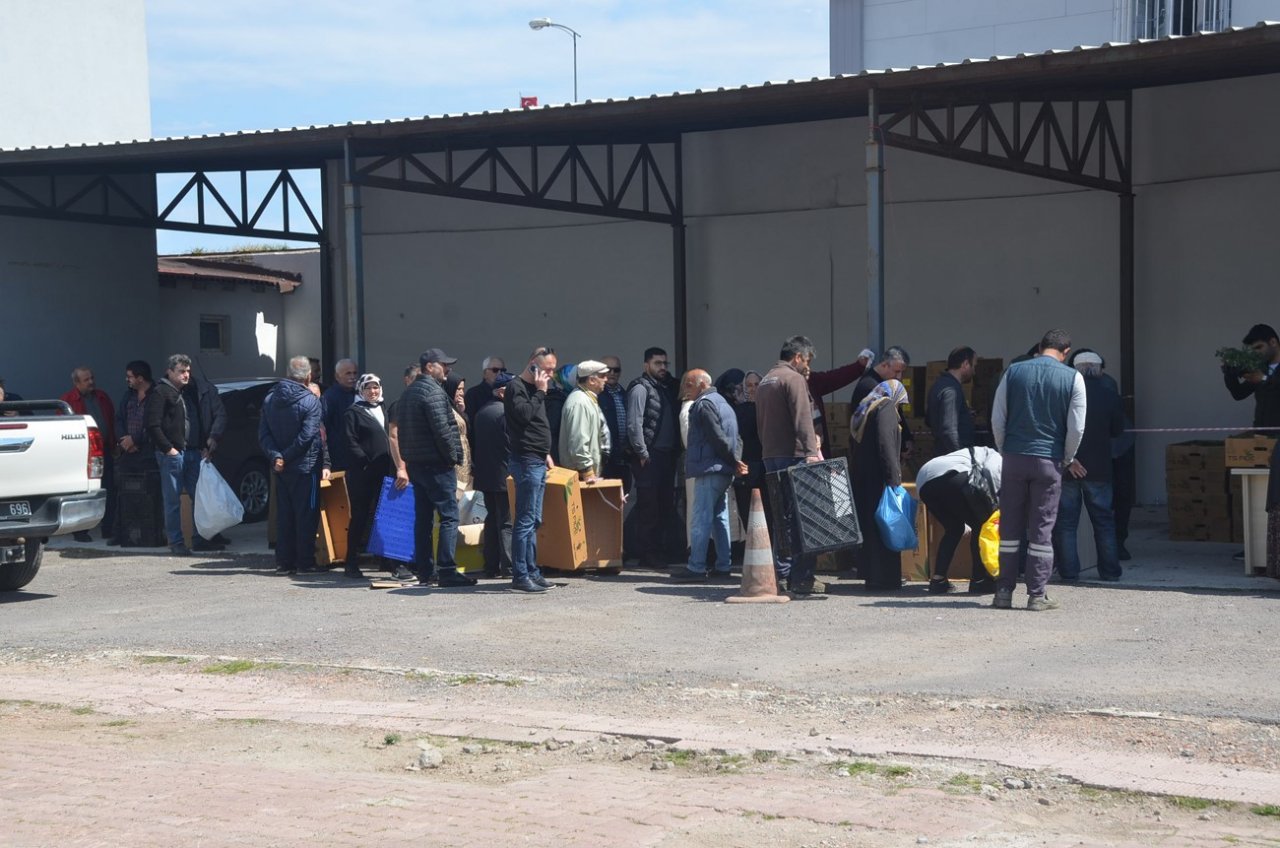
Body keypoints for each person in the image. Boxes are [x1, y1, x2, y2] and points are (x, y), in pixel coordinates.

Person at [991, 329, 1087, 611]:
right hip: (1049, 460)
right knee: (1041, 528)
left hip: (1014, 457)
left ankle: (1004, 592)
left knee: (1009, 527)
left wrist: (1005, 449)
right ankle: (1036, 595)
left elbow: (999, 417)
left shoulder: (1013, 372)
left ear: (1041, 346)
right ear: (1066, 352)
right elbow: (1077, 426)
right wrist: (1067, 458)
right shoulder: (1073, 378)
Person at [397, 349, 475, 588]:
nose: (448, 369)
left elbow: (402, 431)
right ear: (430, 367)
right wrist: (453, 457)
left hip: (417, 465)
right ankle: (447, 570)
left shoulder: (409, 393)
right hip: (437, 465)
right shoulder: (433, 392)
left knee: (423, 519)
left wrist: (409, 460)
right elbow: (443, 429)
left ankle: (425, 571)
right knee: (449, 517)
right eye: (444, 365)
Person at [756, 336, 823, 596]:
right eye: (807, 360)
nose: (808, 366)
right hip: (794, 456)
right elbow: (802, 418)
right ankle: (802, 578)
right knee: (801, 519)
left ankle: (781, 575)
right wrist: (811, 452)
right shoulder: (793, 379)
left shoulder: (766, 380)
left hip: (771, 455)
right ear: (797, 357)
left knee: (780, 518)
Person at [1053, 351, 1125, 582]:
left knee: (1066, 524)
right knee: (1104, 522)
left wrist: (1069, 459)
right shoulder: (1110, 395)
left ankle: (1069, 572)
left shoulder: (1064, 394)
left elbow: (1056, 431)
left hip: (1068, 467)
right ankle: (1110, 571)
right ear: (1099, 369)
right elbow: (1117, 430)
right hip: (1100, 468)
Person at [672, 370, 744, 582]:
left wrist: (732, 460)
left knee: (701, 519)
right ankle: (723, 566)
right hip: (724, 471)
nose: (686, 390)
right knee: (720, 518)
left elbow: (717, 438)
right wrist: (735, 461)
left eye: (689, 385)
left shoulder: (703, 405)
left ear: (701, 385)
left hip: (710, 469)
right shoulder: (724, 403)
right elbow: (736, 438)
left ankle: (696, 567)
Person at [259, 355, 327, 576]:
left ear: (288, 374)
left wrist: (277, 457)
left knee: (285, 515)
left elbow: (264, 434)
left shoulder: (270, 398)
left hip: (281, 468)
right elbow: (308, 436)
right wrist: (285, 457)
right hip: (305, 466)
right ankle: (305, 562)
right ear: (308, 376)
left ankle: (284, 562)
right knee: (307, 514)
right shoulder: (310, 401)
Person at [504, 346, 560, 593]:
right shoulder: (517, 387)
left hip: (537, 459)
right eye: (547, 369)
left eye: (553, 370)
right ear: (533, 365)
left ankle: (533, 571)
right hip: (526, 461)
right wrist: (539, 392)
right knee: (525, 521)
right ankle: (520, 574)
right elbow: (524, 415)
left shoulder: (537, 390)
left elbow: (536, 425)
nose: (551, 374)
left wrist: (545, 452)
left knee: (534, 520)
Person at [916, 447, 1001, 595]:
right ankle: (979, 581)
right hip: (951, 474)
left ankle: (938, 580)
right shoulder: (997, 458)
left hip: (924, 482)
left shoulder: (976, 453)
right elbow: (993, 479)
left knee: (954, 529)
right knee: (980, 526)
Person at [849, 380, 909, 590]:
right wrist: (894, 479)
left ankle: (871, 576)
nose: (899, 408)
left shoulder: (866, 408)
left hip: (863, 479)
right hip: (879, 479)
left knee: (870, 526)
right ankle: (886, 578)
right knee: (885, 527)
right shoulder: (885, 408)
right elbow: (886, 444)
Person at [344, 373, 404, 580]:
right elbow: (350, 442)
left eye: (376, 387)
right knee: (360, 516)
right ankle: (351, 562)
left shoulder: (383, 408)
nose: (373, 391)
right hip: (362, 473)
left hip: (384, 471)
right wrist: (365, 461)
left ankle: (385, 560)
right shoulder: (353, 412)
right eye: (368, 388)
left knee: (383, 516)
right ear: (361, 390)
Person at [626, 347, 680, 570]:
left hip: (666, 456)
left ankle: (660, 550)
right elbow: (634, 423)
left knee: (664, 505)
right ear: (646, 365)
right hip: (649, 457)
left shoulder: (665, 387)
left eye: (665, 364)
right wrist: (642, 452)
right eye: (658, 363)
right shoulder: (641, 388)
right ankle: (647, 553)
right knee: (649, 507)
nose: (663, 368)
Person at [146, 355, 200, 556]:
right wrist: (169, 449)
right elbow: (152, 425)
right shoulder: (160, 392)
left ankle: (199, 538)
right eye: (181, 371)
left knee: (198, 496)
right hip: (172, 455)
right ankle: (176, 542)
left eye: (188, 371)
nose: (186, 375)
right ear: (170, 371)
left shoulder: (185, 392)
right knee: (172, 500)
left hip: (191, 452)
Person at [61, 366, 117, 542]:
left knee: (108, 488)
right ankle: (81, 530)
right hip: (83, 454)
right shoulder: (67, 401)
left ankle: (108, 528)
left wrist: (114, 443)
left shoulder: (102, 397)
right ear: (76, 383)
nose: (91, 382)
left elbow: (112, 420)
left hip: (105, 451)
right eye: (86, 380)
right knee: (83, 491)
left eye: (91, 378)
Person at [180, 368, 229, 551]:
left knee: (208, 496)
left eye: (186, 372)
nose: (184, 376)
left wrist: (213, 439)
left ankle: (210, 533)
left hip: (204, 448)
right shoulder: (170, 391)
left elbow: (220, 415)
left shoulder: (206, 390)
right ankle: (197, 537)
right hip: (183, 450)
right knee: (194, 496)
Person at [473, 371, 515, 579]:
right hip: (503, 474)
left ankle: (490, 566)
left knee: (491, 520)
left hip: (485, 475)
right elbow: (512, 444)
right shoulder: (505, 413)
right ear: (501, 392)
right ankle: (508, 567)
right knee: (506, 522)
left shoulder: (482, 411)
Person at [110, 360, 156, 546]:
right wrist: (124, 440)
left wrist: (136, 440)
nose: (127, 380)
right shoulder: (128, 396)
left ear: (140, 378)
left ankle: (149, 533)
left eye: (130, 377)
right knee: (123, 493)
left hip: (147, 453)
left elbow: (153, 424)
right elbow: (119, 419)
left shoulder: (156, 395)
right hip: (127, 453)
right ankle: (121, 533)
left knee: (148, 495)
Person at [850, 346, 915, 460]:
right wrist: (902, 446)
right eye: (897, 371)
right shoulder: (872, 387)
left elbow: (897, 414)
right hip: (871, 453)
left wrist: (906, 438)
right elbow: (885, 423)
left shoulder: (883, 384)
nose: (899, 377)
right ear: (884, 365)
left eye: (901, 372)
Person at [807, 349, 874, 452]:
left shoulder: (810, 381)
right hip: (799, 454)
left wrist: (859, 366)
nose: (807, 367)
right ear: (797, 359)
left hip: (816, 451)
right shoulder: (785, 386)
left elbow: (833, 378)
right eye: (806, 362)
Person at [559, 360, 611, 481]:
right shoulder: (580, 402)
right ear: (592, 380)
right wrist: (587, 472)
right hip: (582, 476)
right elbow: (578, 441)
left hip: (583, 474)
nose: (606, 380)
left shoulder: (586, 399)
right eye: (602, 376)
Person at [1224, 323, 1280, 428]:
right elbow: (1239, 394)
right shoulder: (1262, 368)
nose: (1256, 353)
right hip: (1261, 433)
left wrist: (1263, 378)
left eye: (1259, 347)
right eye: (1253, 349)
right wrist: (1230, 374)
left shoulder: (1261, 373)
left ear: (1273, 342)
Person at [926, 346, 977, 455]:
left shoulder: (938, 385)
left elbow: (929, 419)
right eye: (974, 366)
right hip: (953, 461)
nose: (974, 372)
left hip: (943, 453)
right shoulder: (951, 390)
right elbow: (949, 430)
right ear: (965, 364)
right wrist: (962, 457)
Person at [322, 358, 359, 472]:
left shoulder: (358, 394)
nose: (352, 377)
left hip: (357, 456)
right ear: (337, 376)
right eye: (348, 373)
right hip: (338, 457)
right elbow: (323, 428)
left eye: (354, 373)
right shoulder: (329, 397)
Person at [598, 355, 630, 488]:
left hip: (624, 457)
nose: (612, 373)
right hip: (605, 458)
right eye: (608, 369)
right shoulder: (597, 395)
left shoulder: (625, 394)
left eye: (616, 370)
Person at [443, 375, 472, 491]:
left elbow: (467, 431)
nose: (461, 393)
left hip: (465, 462)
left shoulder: (456, 408)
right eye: (458, 389)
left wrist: (462, 411)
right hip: (453, 463)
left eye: (462, 389)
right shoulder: (445, 408)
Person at [464, 356, 506, 425]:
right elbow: (469, 423)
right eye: (495, 370)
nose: (499, 373)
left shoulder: (508, 393)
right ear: (485, 373)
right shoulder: (473, 394)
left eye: (503, 371)